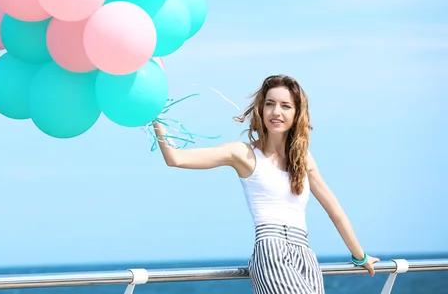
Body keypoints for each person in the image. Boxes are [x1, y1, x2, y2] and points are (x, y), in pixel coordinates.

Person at [152, 74, 379, 294]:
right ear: (261, 109)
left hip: (305, 255)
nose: (276, 112)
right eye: (270, 104)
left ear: (297, 113)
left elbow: (335, 211)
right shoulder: (243, 153)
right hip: (271, 251)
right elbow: (176, 158)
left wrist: (360, 256)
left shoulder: (303, 159)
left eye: (285, 106)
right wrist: (156, 116)